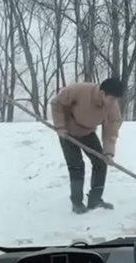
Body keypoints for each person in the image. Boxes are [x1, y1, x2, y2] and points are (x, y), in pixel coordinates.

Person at [51, 77, 124, 213]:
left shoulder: (112, 107)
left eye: (116, 100)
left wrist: (108, 152)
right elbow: (57, 103)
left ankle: (95, 200)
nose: (115, 103)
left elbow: (111, 131)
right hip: (67, 132)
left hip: (87, 132)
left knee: (101, 163)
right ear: (102, 94)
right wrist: (60, 126)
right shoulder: (80, 90)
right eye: (113, 99)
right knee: (77, 166)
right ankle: (77, 203)